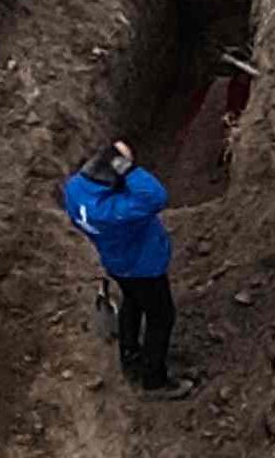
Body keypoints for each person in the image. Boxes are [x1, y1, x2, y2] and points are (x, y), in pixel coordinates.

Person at [60, 137, 185, 392]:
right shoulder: (117, 211)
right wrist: (124, 164)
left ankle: (130, 356)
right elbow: (156, 196)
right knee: (161, 317)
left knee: (133, 301)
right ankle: (154, 381)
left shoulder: (75, 190)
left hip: (115, 263)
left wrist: (112, 158)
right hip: (145, 266)